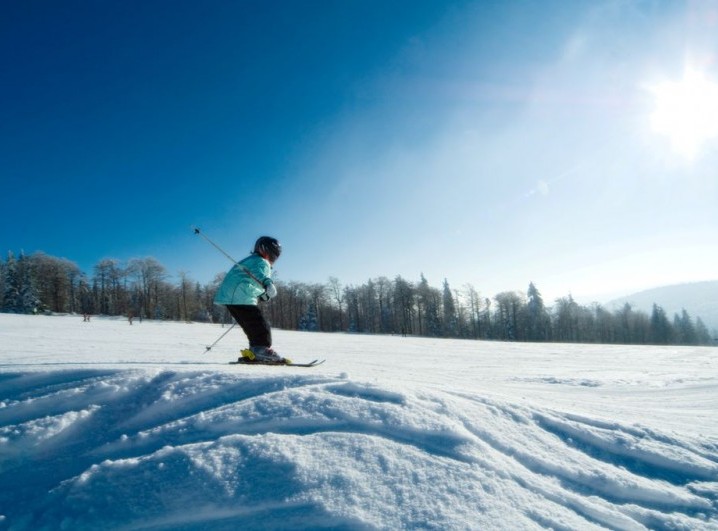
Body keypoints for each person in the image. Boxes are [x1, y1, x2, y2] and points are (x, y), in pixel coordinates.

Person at [214, 236, 288, 364]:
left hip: (233, 296)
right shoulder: (260, 261)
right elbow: (258, 274)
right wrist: (268, 283)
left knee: (252, 327)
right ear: (265, 250)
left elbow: (249, 280)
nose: (274, 258)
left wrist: (262, 294)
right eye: (274, 254)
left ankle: (255, 350)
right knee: (260, 326)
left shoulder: (252, 260)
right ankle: (262, 351)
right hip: (239, 295)